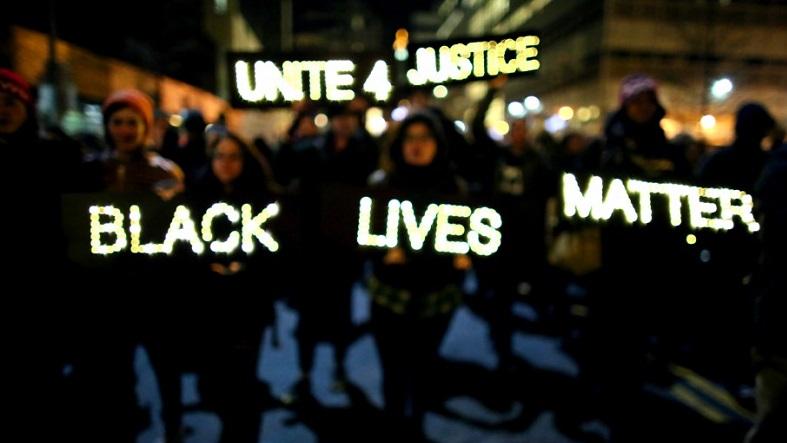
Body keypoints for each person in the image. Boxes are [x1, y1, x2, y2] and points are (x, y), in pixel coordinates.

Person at [365, 111, 469, 441]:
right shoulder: (381, 185)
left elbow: (471, 232)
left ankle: (417, 423)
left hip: (437, 297)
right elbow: (362, 236)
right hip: (390, 296)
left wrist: (465, 256)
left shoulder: (454, 186)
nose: (417, 145)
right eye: (411, 138)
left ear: (437, 144)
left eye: (425, 137)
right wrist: (382, 253)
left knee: (424, 368)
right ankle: (395, 422)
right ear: (399, 144)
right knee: (393, 369)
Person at [188, 132, 280, 443]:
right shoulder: (194, 197)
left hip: (248, 304)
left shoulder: (263, 200)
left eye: (234, 156)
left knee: (243, 374)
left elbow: (276, 255)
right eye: (220, 156)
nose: (226, 164)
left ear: (246, 161)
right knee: (216, 374)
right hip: (209, 303)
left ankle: (241, 432)